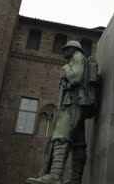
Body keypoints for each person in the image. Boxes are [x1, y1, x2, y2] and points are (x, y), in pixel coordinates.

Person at [27, 41, 96, 184]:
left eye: (66, 50)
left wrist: (66, 68)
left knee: (61, 137)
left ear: (73, 49)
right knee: (78, 143)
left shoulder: (77, 57)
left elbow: (76, 78)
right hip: (76, 102)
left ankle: (55, 175)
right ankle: (76, 179)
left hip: (74, 102)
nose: (63, 53)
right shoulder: (77, 59)